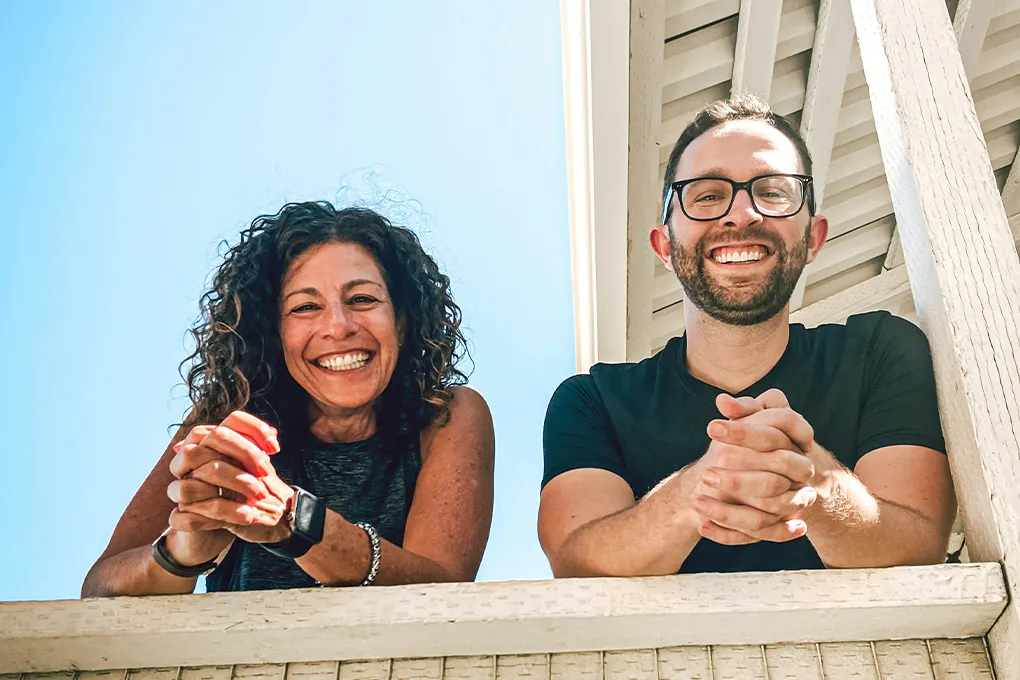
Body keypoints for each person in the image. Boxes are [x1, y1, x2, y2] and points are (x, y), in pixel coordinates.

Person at [538, 94, 956, 577]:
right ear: (665, 247)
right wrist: (703, 488)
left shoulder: (881, 352)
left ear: (814, 238)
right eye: (708, 195)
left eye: (773, 192)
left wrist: (814, 483)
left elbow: (920, 543)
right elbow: (576, 563)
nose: (741, 215)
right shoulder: (593, 400)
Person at [83, 201, 494, 595]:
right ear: (273, 336)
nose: (338, 326)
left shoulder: (448, 415)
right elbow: (100, 587)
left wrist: (295, 521)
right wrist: (180, 554)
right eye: (305, 307)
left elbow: (444, 587)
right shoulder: (227, 417)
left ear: (403, 322)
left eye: (362, 299)